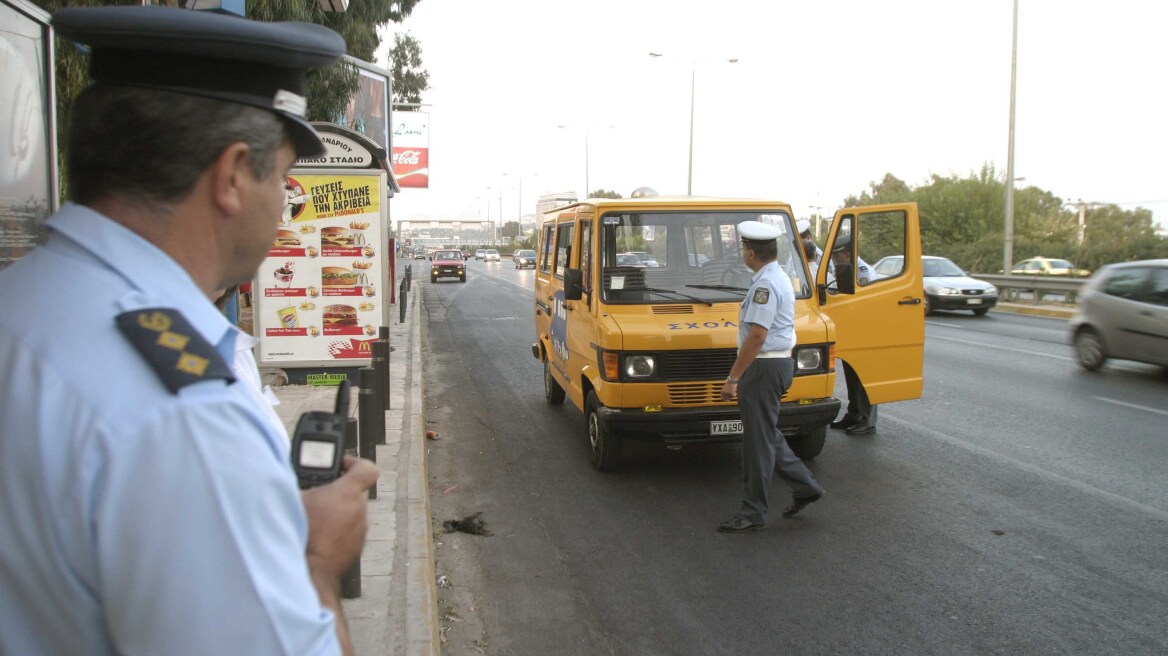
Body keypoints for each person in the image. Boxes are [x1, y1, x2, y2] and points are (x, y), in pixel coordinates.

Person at [0, 6, 377, 655]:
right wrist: (316, 563)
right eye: (284, 181)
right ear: (232, 177)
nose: (284, 208)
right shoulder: (186, 417)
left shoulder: (25, 301)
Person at [718, 221, 824, 533]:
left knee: (755, 442)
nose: (742, 252)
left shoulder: (764, 286)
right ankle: (806, 486)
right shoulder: (776, 277)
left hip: (764, 368)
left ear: (750, 252)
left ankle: (753, 511)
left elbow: (756, 337)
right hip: (776, 365)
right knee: (764, 434)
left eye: (743, 248)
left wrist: (733, 378)